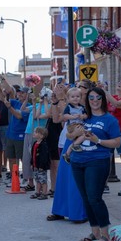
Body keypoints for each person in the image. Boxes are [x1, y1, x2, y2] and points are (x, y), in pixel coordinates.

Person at [70, 87, 121, 241]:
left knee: (94, 198)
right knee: (86, 198)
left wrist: (97, 141)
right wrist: (74, 133)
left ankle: (105, 234)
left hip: (98, 162)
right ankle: (95, 232)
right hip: (77, 161)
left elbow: (117, 142)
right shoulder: (83, 118)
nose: (94, 101)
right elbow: (70, 135)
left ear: (103, 100)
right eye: (91, 98)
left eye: (98, 98)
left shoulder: (110, 120)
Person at [46, 79, 91, 223]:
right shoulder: (68, 104)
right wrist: (55, 102)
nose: (77, 91)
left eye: (80, 88)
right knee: (63, 176)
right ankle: (60, 210)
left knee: (76, 178)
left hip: (81, 141)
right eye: (76, 88)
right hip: (66, 141)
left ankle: (77, 213)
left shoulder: (86, 106)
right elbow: (56, 119)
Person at [61, 87, 87, 163]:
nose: (75, 98)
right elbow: (65, 116)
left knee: (83, 136)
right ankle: (74, 144)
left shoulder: (82, 107)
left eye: (77, 96)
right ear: (68, 98)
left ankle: (67, 153)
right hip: (72, 125)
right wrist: (72, 117)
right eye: (72, 97)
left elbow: (86, 115)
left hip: (80, 124)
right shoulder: (68, 107)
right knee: (84, 134)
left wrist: (83, 116)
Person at [29, 126, 50, 200]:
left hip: (41, 166)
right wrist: (32, 163)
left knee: (43, 180)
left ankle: (44, 193)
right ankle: (37, 192)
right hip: (35, 165)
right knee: (37, 179)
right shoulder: (35, 143)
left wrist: (41, 166)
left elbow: (44, 156)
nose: (34, 133)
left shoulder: (43, 145)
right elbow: (33, 154)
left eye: (36, 132)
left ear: (41, 135)